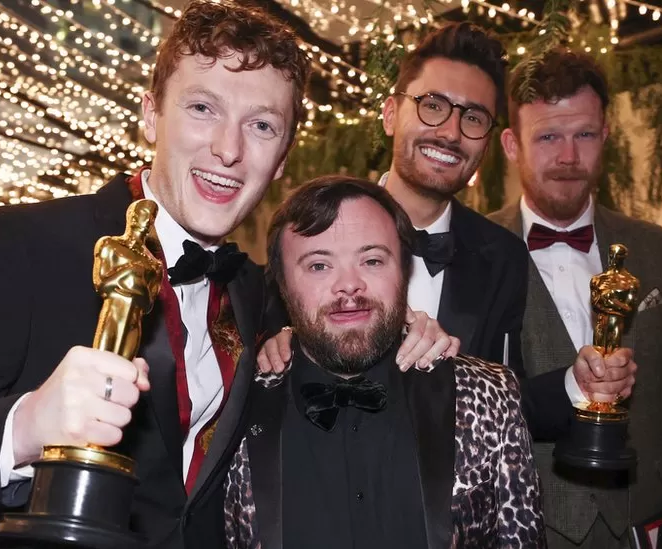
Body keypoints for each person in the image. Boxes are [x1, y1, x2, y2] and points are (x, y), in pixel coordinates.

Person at [0, 4, 451, 547]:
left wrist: (409, 331)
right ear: (152, 116)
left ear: (283, 154)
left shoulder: (257, 289)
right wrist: (26, 426)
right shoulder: (28, 245)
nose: (229, 149)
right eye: (203, 109)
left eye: (262, 125)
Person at [258, 23, 636, 443]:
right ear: (389, 115)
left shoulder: (503, 257)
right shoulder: (309, 231)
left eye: (473, 117)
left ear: (488, 145)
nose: (451, 132)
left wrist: (576, 384)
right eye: (432, 105)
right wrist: (289, 341)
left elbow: (505, 408)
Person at [225, 176, 546, 548]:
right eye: (318, 266)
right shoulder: (236, 407)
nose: (349, 285)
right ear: (282, 285)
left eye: (372, 260)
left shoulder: (490, 396)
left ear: (404, 271)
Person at [488, 49, 662, 549]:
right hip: (521, 528)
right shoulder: (475, 250)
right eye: (548, 136)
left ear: (606, 136)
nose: (568, 157)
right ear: (511, 144)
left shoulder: (657, 250)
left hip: (638, 526)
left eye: (584, 135)